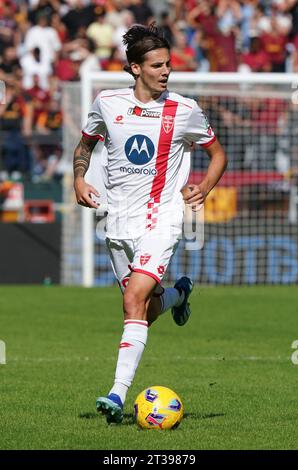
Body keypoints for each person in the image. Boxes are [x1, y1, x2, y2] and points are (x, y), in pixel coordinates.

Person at [73, 23, 227, 424]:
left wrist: (205, 188)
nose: (165, 72)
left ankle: (116, 395)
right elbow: (85, 145)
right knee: (148, 306)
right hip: (117, 221)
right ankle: (178, 294)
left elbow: (218, 155)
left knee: (132, 301)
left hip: (163, 218)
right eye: (156, 65)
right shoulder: (106, 103)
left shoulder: (185, 110)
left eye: (168, 65)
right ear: (134, 68)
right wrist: (78, 178)